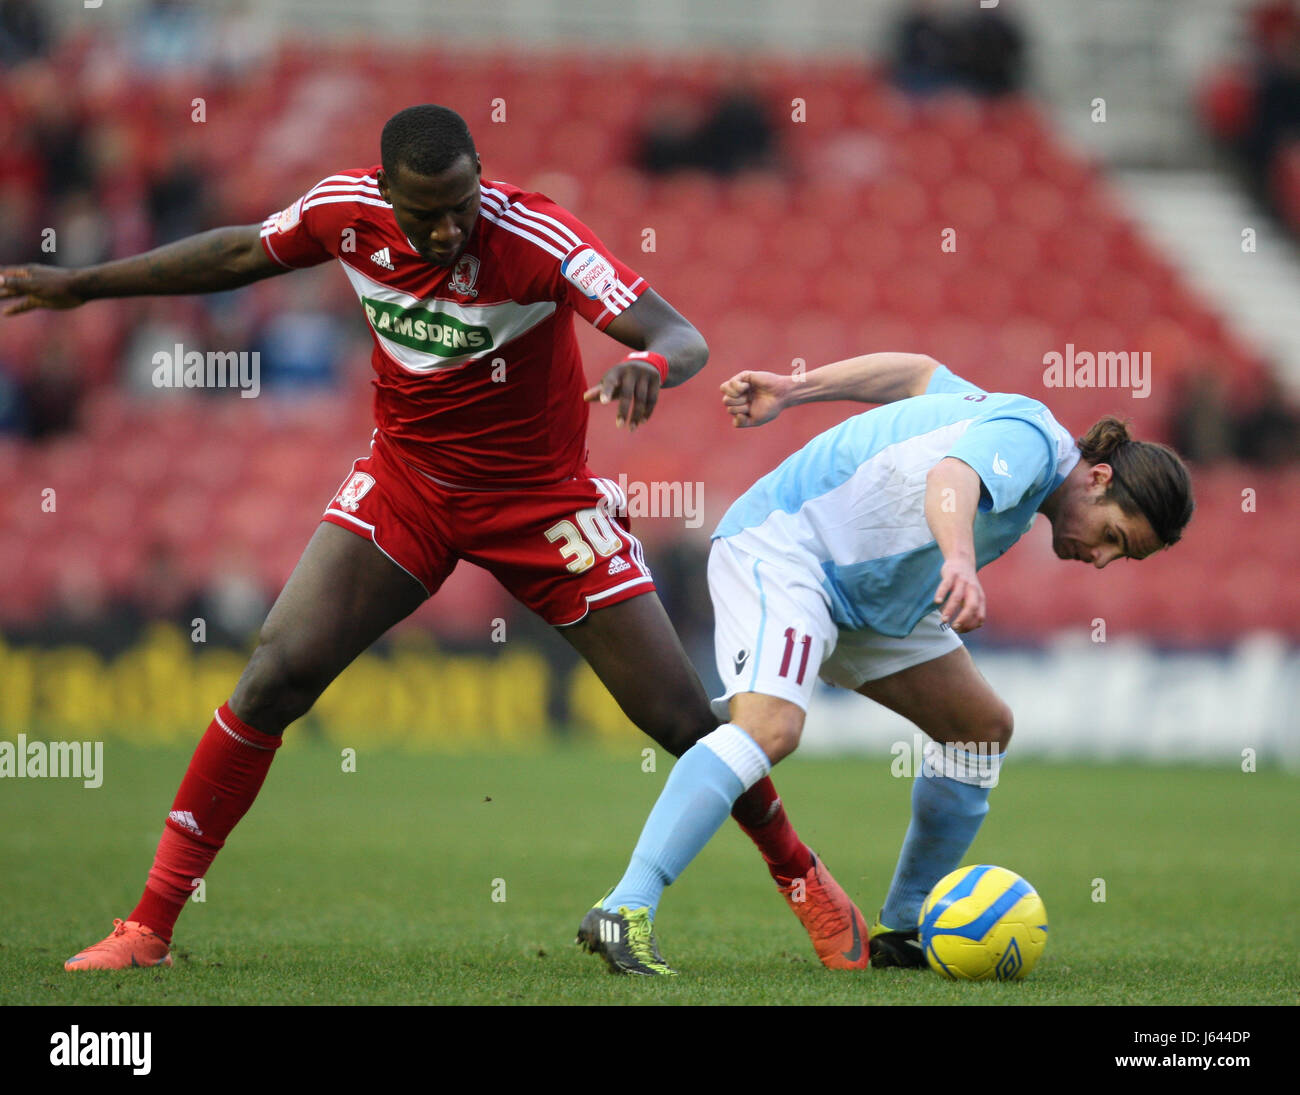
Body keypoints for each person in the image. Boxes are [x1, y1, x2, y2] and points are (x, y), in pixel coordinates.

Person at [0, 104, 867, 973]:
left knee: (683, 719)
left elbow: (682, 333)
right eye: (429, 212)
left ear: (479, 175)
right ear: (386, 193)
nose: (452, 226)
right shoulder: (344, 212)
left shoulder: (535, 235)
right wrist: (83, 285)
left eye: (463, 201)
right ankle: (148, 925)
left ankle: (808, 883)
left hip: (542, 503)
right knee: (273, 673)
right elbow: (235, 253)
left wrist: (646, 362)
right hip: (408, 486)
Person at [577, 350, 1194, 974]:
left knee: (980, 730)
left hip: (868, 598)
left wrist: (795, 388)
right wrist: (957, 560)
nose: (1102, 559)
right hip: (790, 553)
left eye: (1122, 557)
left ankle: (904, 929)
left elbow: (918, 375)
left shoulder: (1011, 427)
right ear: (1099, 478)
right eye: (1113, 537)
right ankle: (626, 905)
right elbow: (950, 480)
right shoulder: (1032, 441)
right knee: (771, 728)